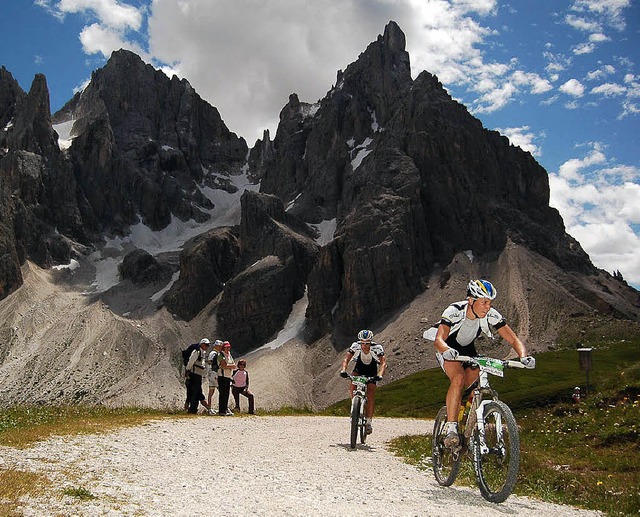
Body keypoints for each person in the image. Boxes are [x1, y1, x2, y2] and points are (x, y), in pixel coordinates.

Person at [425, 279, 535, 447]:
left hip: (469, 352)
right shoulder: (454, 310)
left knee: (473, 386)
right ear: (471, 300)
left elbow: (513, 339)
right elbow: (439, 339)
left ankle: (465, 418)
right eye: (484, 302)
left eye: (490, 302)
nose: (487, 307)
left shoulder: (491, 314)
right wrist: (446, 350)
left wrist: (523, 355)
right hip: (447, 348)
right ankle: (452, 428)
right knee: (459, 379)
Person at [339, 329, 387, 435]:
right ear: (360, 341)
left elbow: (383, 363)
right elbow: (346, 359)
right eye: (362, 342)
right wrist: (343, 370)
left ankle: (369, 422)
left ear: (371, 342)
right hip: (359, 369)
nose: (364, 345)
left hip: (371, 370)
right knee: (352, 386)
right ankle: (354, 408)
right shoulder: (355, 346)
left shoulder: (377, 348)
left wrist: (379, 375)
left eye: (367, 343)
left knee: (370, 394)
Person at [185, 338, 215, 415]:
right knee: (195, 392)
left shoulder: (202, 352)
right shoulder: (197, 352)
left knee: (197, 392)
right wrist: (187, 369)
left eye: (208, 345)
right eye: (206, 345)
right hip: (194, 374)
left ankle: (193, 409)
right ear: (202, 344)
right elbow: (191, 361)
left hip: (198, 375)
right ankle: (192, 410)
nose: (207, 346)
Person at [217, 341, 236, 416]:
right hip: (222, 376)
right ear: (223, 347)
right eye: (227, 347)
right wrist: (230, 366)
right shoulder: (220, 355)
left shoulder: (229, 355)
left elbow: (233, 365)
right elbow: (224, 365)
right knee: (222, 393)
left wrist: (228, 366)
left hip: (228, 376)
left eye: (229, 347)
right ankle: (221, 410)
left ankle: (224, 409)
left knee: (226, 393)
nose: (228, 348)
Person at [207, 340, 224, 410]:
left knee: (211, 391)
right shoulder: (217, 354)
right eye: (219, 346)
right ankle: (224, 407)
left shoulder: (211, 353)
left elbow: (209, 361)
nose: (220, 348)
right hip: (215, 373)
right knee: (222, 390)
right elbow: (222, 363)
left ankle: (209, 408)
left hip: (210, 373)